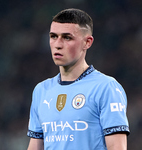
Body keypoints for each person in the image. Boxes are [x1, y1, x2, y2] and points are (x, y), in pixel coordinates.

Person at [27, 8, 130, 150]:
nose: (57, 44)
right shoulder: (41, 90)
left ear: (87, 42)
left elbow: (117, 147)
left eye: (67, 37)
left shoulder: (106, 87)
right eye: (53, 36)